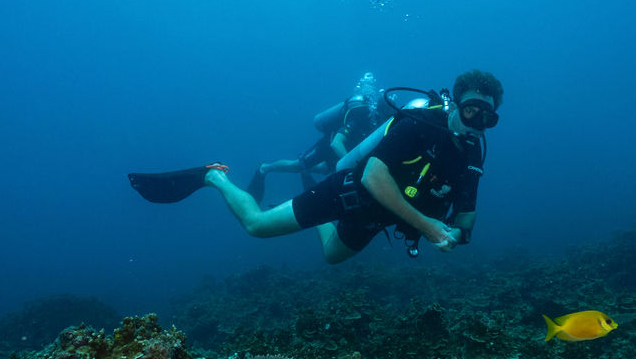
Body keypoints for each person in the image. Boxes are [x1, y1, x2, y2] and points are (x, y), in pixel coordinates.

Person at [203, 69, 503, 264]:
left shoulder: (473, 155)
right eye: (470, 111)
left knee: (332, 255)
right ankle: (215, 177)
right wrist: (427, 226)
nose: (476, 123)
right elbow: (373, 176)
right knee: (256, 226)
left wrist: (457, 235)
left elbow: (466, 213)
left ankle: (314, 216)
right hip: (348, 190)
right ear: (457, 106)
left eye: (486, 117)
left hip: (378, 217)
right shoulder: (419, 124)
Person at [246, 72, 392, 202]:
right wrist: (354, 167)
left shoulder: (377, 123)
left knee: (323, 169)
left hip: (345, 150)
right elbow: (336, 143)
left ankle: (307, 170)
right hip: (328, 145)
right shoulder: (360, 116)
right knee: (297, 165)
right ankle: (265, 168)